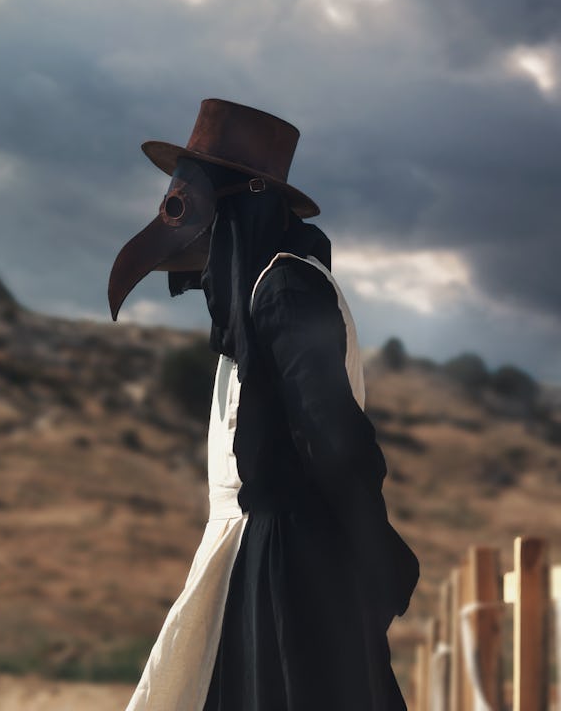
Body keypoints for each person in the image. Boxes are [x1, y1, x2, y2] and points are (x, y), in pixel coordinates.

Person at [108, 98, 420, 711]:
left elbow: (336, 442)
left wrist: (375, 550)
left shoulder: (285, 288)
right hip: (268, 559)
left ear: (237, 204)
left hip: (290, 574)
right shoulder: (267, 290)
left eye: (189, 199)